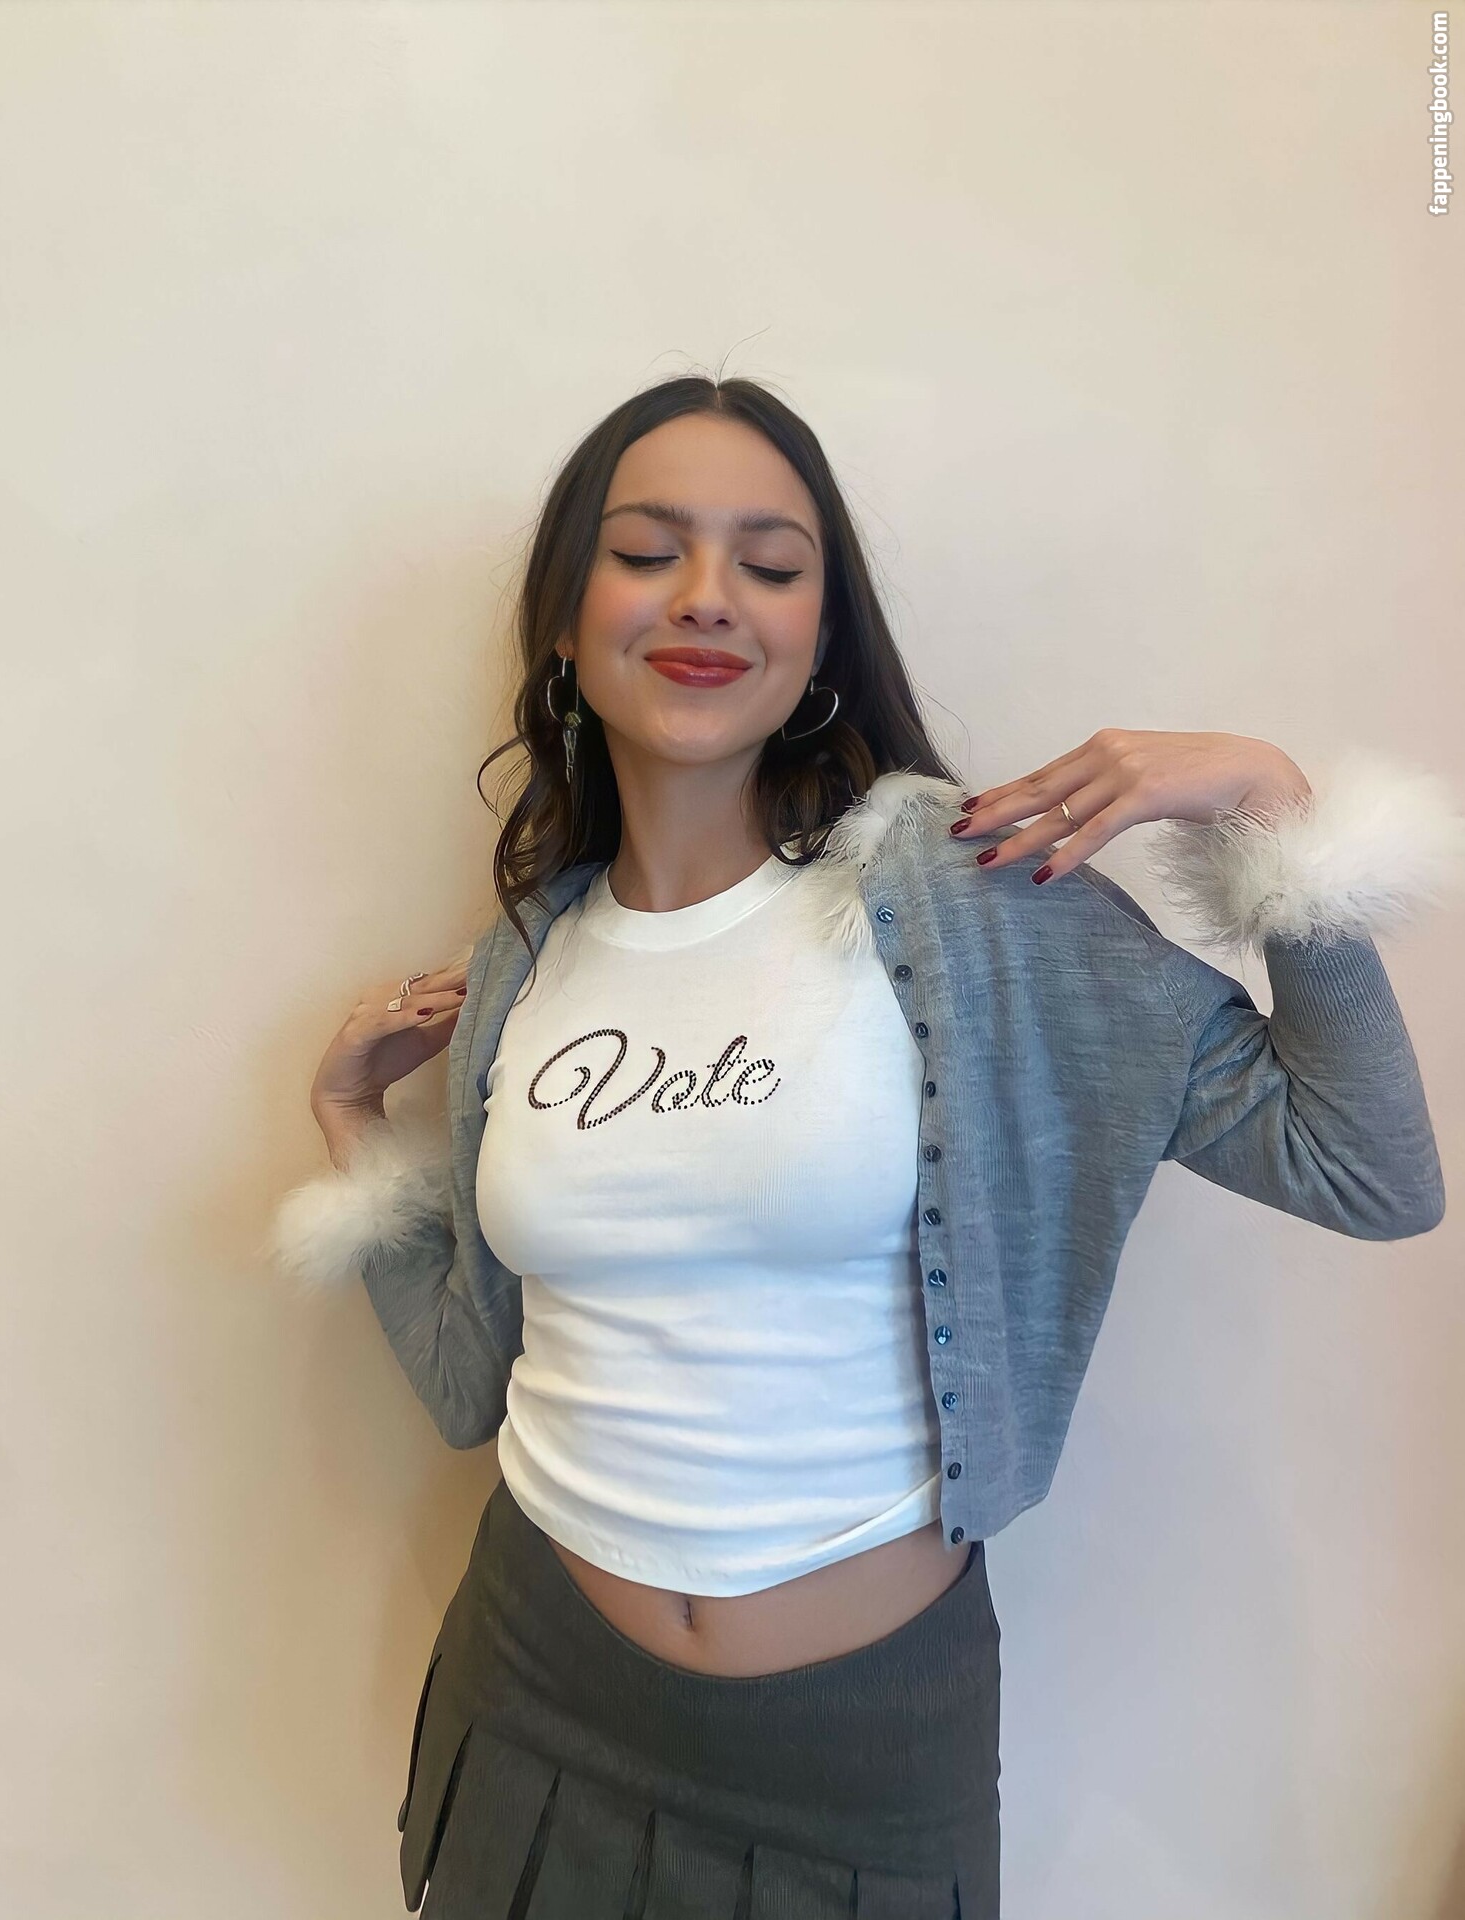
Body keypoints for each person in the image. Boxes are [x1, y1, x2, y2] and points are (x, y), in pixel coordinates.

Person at [269, 375, 1460, 1919]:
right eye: (648, 553)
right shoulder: (522, 966)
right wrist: (351, 1123)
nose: (709, 594)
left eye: (769, 564)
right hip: (538, 1683)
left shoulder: (971, 908)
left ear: (820, 639)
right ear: (566, 622)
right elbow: (462, 1387)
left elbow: (1367, 1168)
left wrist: (1270, 807)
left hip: (858, 1753)